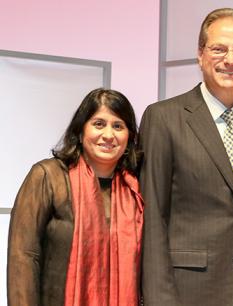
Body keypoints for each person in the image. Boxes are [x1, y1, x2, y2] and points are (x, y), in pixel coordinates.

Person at [139, 8, 233, 306]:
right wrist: (158, 299)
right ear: (200, 54)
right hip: (186, 292)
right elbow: (152, 217)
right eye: (219, 49)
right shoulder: (164, 118)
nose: (231, 60)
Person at [7, 88, 144, 306]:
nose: (108, 135)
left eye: (118, 126)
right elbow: (23, 257)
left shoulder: (137, 188)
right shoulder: (48, 176)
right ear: (80, 132)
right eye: (99, 124)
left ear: (129, 137)